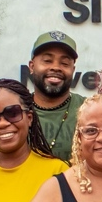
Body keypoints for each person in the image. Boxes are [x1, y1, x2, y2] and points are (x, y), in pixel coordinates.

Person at [28, 32, 85, 161]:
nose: (55, 67)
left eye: (64, 63)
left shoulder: (88, 109)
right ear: (32, 66)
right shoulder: (16, 111)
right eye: (47, 61)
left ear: (73, 70)